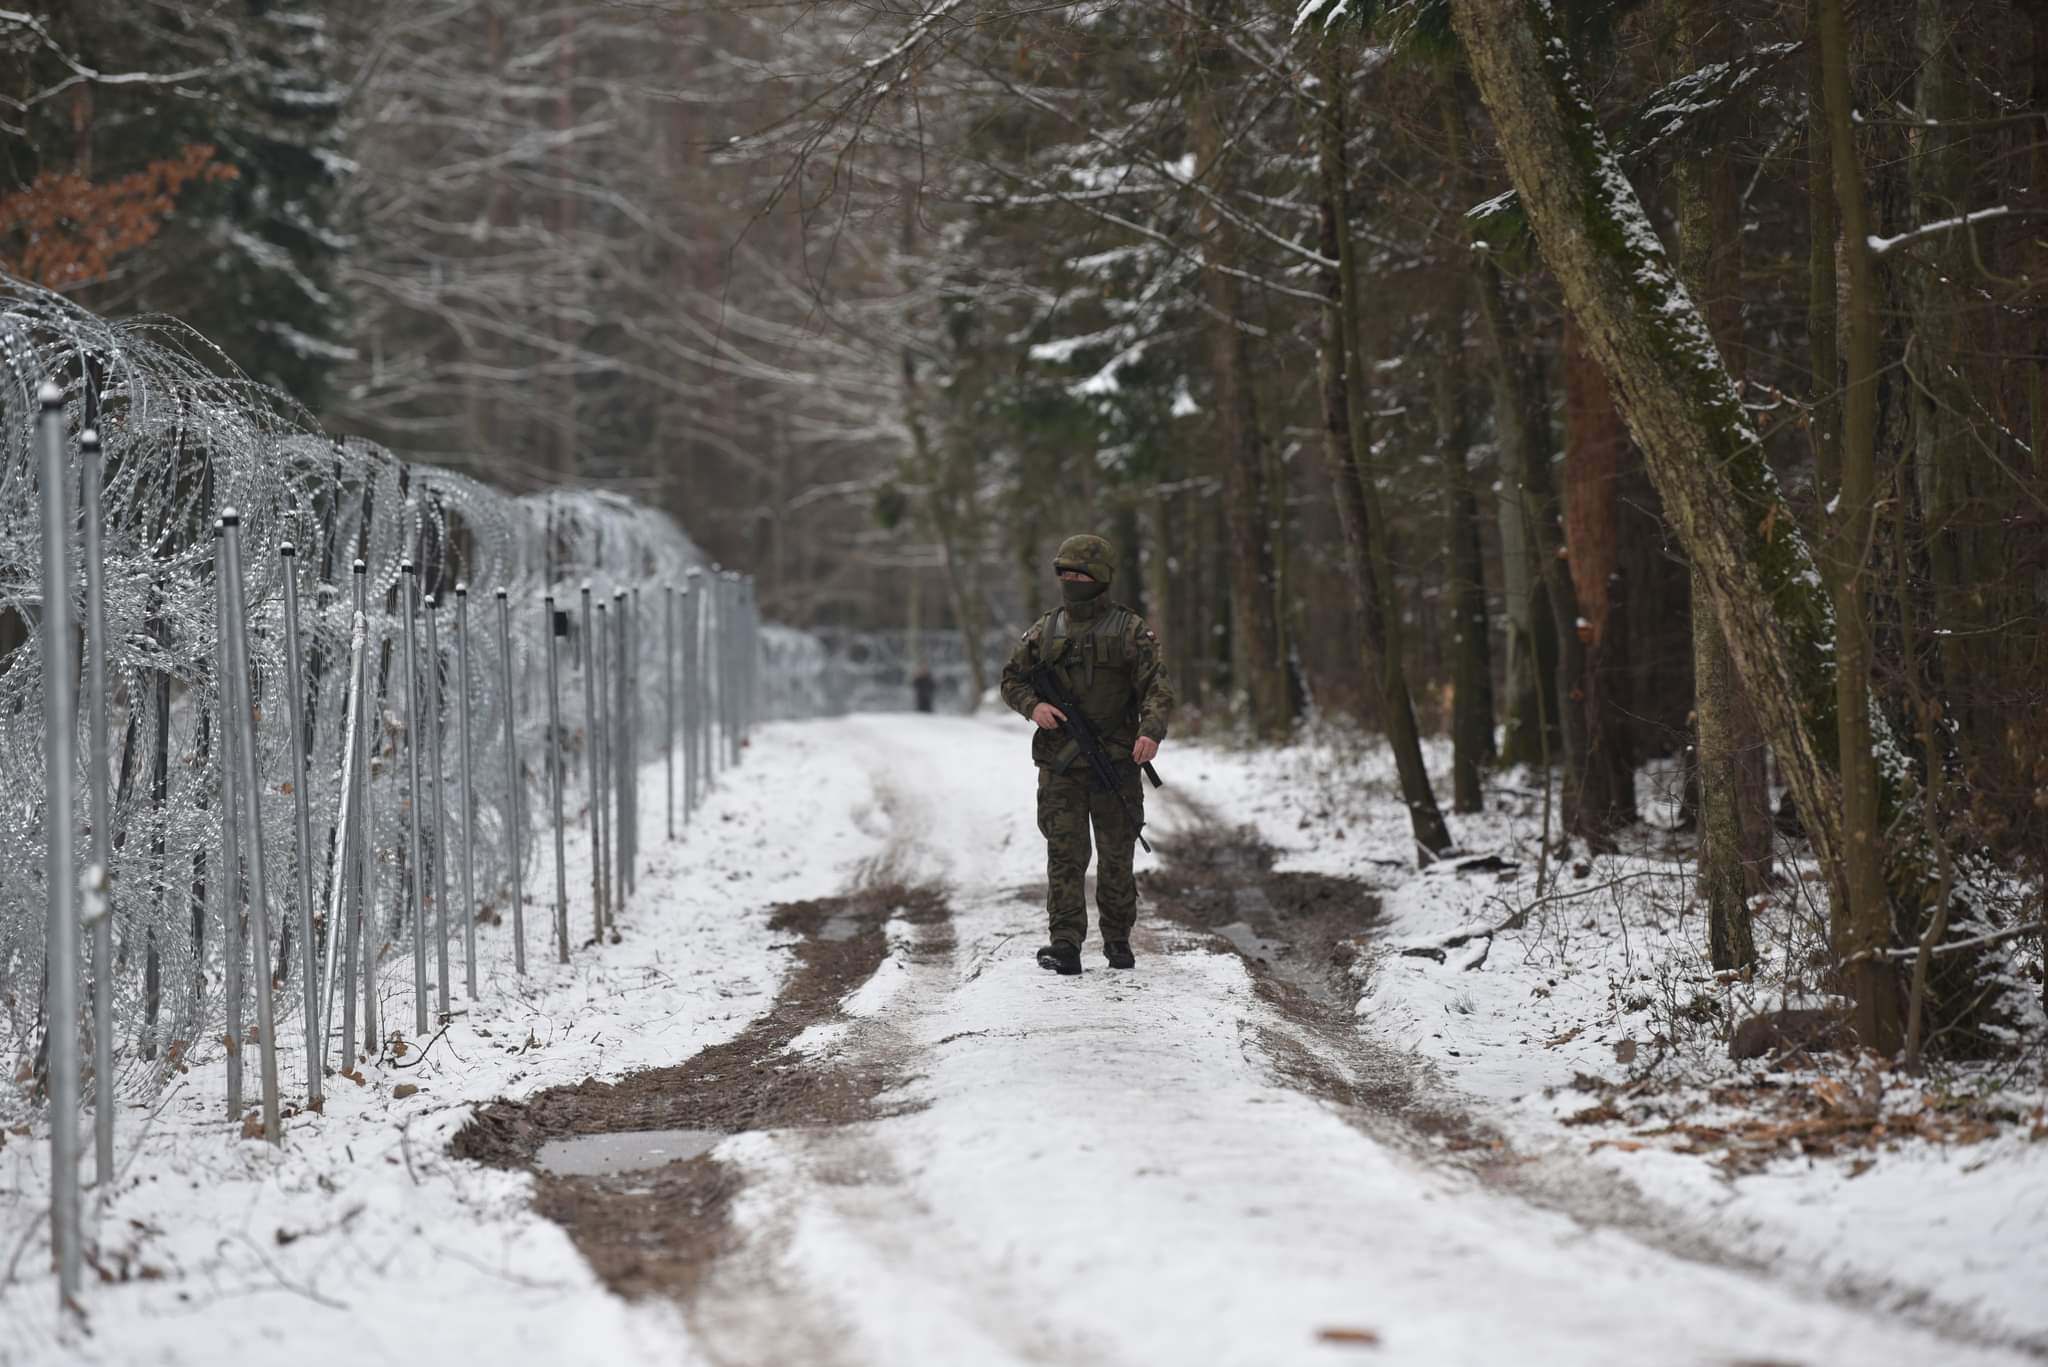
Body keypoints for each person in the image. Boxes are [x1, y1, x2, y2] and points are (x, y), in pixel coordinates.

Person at [999, 534, 1173, 974]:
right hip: (1060, 765)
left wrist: (1150, 732)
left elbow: (1156, 687)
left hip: (1115, 762)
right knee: (1065, 855)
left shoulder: (1131, 630)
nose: (1071, 581)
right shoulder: (1046, 630)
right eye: (1065, 574)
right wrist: (1034, 707)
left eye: (1080, 574)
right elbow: (1012, 680)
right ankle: (1065, 943)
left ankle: (1118, 940)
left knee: (1117, 856)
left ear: (1101, 578)